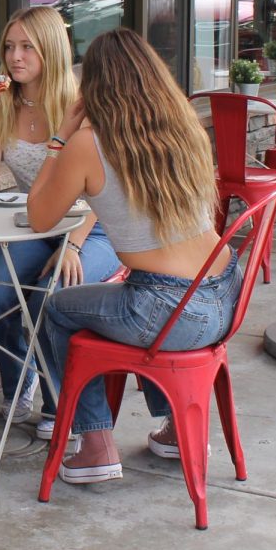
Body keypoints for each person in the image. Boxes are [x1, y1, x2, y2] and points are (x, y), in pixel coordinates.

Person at [28, 27, 242, 485]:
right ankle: (175, 429)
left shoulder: (90, 143)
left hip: (169, 311)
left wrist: (60, 137)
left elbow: (39, 216)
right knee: (129, 295)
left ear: (95, 89)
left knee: (58, 308)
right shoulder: (183, 126)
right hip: (225, 296)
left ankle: (95, 443)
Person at [0, 6, 120, 438]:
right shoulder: (4, 103)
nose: (15, 57)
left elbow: (100, 190)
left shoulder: (80, 104)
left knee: (50, 299)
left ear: (50, 50)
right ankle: (21, 380)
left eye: (27, 47)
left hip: (93, 225)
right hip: (38, 223)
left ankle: (60, 405)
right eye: (9, 46)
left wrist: (71, 245)